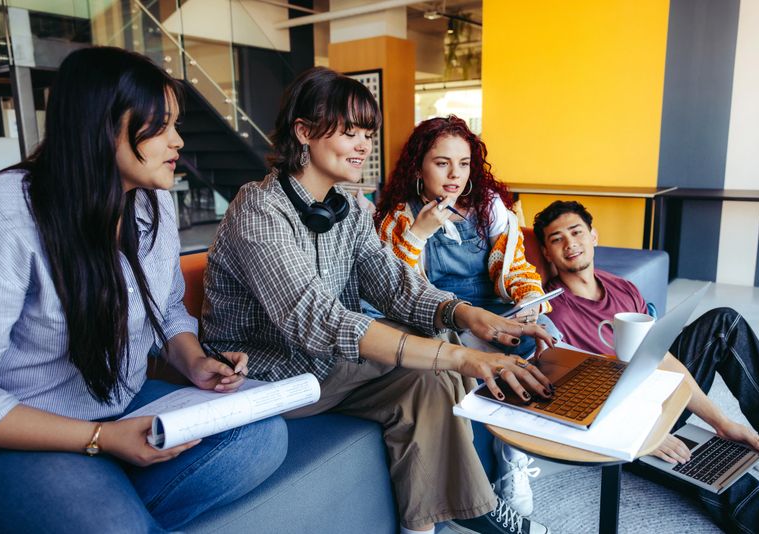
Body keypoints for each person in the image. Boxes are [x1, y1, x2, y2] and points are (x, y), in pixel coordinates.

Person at [201, 67, 555, 534]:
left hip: (328, 367)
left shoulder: (345, 208)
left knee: (433, 380)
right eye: (350, 132)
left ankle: (427, 525)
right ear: (304, 132)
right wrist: (459, 352)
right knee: (444, 358)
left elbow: (396, 286)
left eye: (368, 133)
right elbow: (316, 320)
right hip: (274, 377)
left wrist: (477, 318)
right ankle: (480, 507)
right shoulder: (259, 207)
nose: (365, 145)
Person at [0, 47, 288, 534]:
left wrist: (194, 362)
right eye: (160, 126)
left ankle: (96, 497)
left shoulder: (153, 203)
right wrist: (100, 440)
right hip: (31, 429)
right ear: (102, 126)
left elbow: (167, 309)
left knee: (262, 437)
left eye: (175, 124)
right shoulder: (10, 214)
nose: (178, 141)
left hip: (125, 401)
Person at [532, 200, 759, 532]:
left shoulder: (622, 288)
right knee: (709, 467)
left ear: (593, 236)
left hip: (654, 390)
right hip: (620, 424)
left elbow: (663, 359)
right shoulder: (552, 313)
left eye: (576, 232)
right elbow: (572, 397)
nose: (570, 244)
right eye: (556, 239)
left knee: (724, 321)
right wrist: (649, 435)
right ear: (547, 253)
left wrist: (721, 422)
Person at [373, 115, 558, 517]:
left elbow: (514, 269)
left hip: (494, 310)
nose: (455, 174)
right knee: (491, 360)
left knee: (543, 335)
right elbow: (390, 288)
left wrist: (530, 305)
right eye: (442, 163)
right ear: (419, 165)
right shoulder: (398, 218)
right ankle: (488, 475)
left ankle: (511, 456)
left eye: (464, 163)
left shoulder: (489, 208)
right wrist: (418, 234)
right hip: (440, 321)